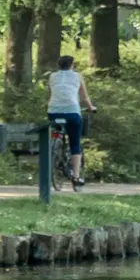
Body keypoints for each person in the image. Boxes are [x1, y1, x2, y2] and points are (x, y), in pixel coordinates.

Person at [45, 54, 88, 187]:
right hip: (72, 112)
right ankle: (76, 177)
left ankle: (56, 145)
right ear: (71, 65)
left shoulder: (52, 76)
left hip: (53, 112)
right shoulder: (77, 76)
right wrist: (91, 107)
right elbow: (84, 97)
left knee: (57, 130)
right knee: (75, 143)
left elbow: (51, 93)